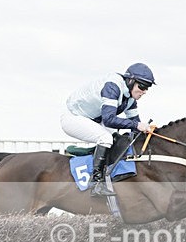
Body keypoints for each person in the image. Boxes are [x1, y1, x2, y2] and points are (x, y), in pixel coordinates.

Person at [60, 63, 155, 196]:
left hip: (94, 120)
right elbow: (109, 119)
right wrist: (138, 126)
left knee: (116, 138)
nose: (144, 91)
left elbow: (136, 125)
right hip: (73, 118)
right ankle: (96, 183)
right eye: (142, 86)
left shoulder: (130, 99)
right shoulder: (112, 87)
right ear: (131, 81)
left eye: (147, 88)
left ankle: (108, 175)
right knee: (105, 138)